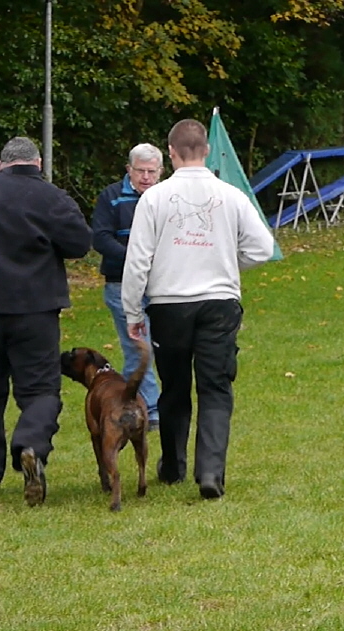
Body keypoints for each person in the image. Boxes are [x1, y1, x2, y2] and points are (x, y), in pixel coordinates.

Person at [121, 118, 276, 499]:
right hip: (219, 302)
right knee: (216, 387)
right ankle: (210, 472)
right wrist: (227, 262)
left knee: (174, 388)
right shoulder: (231, 195)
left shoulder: (153, 199)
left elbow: (137, 260)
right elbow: (262, 248)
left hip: (169, 304)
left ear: (170, 152)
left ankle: (173, 465)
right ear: (206, 151)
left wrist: (132, 312)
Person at [0, 136, 92, 506]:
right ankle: (30, 445)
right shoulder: (51, 197)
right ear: (38, 164)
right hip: (34, 310)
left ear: (1, 164)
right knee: (40, 390)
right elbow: (79, 244)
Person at [90, 143, 164, 431]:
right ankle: (150, 410)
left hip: (161, 285)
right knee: (138, 348)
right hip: (120, 284)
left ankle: (149, 404)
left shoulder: (167, 197)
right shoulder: (111, 197)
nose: (146, 177)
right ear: (128, 170)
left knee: (162, 346)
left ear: (161, 171)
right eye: (140, 171)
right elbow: (101, 238)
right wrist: (136, 258)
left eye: (151, 172)